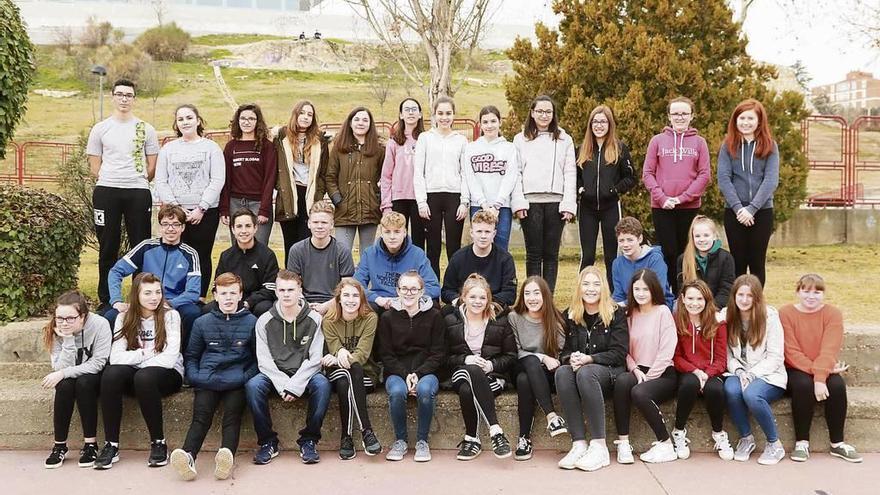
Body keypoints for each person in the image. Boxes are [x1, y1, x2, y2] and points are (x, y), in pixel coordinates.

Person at [170, 273, 258, 481]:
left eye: (233, 293)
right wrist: (195, 377)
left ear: (240, 295)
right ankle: (189, 455)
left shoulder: (252, 321)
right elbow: (191, 355)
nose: (228, 298)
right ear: (215, 296)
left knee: (232, 417)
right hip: (207, 379)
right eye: (223, 293)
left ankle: (226, 456)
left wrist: (245, 377)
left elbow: (257, 359)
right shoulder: (202, 322)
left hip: (237, 381)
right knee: (200, 418)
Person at [94, 272, 184, 470]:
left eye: (158, 292)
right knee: (111, 374)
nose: (154, 298)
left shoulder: (170, 316)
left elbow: (169, 358)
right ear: (136, 295)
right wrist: (148, 353)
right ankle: (111, 444)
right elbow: (116, 358)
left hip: (167, 375)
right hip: (138, 374)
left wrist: (136, 361)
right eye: (148, 293)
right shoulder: (123, 318)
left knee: (144, 378)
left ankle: (158, 442)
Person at [87, 78, 159, 312]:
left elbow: (152, 164)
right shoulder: (101, 128)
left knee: (141, 245)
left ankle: (141, 297)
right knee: (108, 245)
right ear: (113, 96)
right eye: (120, 94)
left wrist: (135, 179)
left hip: (137, 191)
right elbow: (94, 164)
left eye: (128, 95)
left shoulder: (145, 129)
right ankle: (108, 298)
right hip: (107, 191)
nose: (124, 99)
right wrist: (111, 179)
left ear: (134, 99)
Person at [244, 270, 330, 465]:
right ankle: (268, 442)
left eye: (291, 289)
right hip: (275, 374)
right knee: (253, 386)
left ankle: (309, 440)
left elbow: (316, 358)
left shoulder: (315, 319)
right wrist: (284, 385)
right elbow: (264, 361)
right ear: (276, 292)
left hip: (305, 373)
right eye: (282, 289)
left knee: (323, 384)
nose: (286, 294)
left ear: (300, 291)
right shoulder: (264, 321)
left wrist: (296, 385)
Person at [780, 274, 862, 463]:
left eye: (817, 292)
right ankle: (802, 442)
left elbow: (829, 349)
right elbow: (790, 351)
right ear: (798, 292)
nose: (811, 296)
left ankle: (837, 443)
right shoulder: (785, 313)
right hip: (795, 368)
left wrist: (820, 377)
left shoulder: (833, 314)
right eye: (806, 291)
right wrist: (818, 375)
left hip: (824, 366)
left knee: (837, 386)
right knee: (802, 386)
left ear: (823, 294)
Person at [554, 266, 628, 472]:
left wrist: (589, 359)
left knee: (586, 372)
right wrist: (573, 358)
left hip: (610, 373)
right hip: (583, 374)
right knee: (562, 371)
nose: (591, 289)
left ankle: (599, 446)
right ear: (579, 287)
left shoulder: (616, 314)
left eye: (596, 284)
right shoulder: (570, 315)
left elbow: (619, 353)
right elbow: (563, 353)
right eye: (586, 284)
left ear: (603, 287)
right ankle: (578, 443)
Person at [105, 204, 201, 348]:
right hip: (143, 300)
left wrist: (169, 303)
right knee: (111, 315)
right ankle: (112, 357)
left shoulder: (190, 254)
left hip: (172, 302)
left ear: (183, 227)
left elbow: (193, 292)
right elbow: (115, 271)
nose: (170, 229)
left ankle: (184, 355)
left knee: (192, 312)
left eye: (176, 224)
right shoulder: (146, 247)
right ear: (160, 227)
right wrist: (116, 301)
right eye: (166, 224)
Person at [154, 104, 225, 300]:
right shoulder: (168, 149)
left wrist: (201, 208)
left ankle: (199, 296)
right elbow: (161, 180)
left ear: (198, 120)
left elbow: (217, 179)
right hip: (176, 212)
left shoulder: (211, 148)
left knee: (201, 254)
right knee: (176, 254)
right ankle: (175, 293)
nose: (185, 122)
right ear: (176, 124)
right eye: (181, 119)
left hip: (205, 212)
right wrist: (177, 209)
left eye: (189, 117)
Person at [643, 96, 711, 292]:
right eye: (675, 114)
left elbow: (704, 174)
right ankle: (671, 291)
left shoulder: (699, 142)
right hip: (662, 207)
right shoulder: (657, 141)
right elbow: (647, 173)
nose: (680, 117)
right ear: (669, 116)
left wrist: (683, 198)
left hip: (689, 207)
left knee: (687, 253)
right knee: (669, 252)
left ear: (692, 116)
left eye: (684, 114)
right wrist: (662, 198)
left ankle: (689, 292)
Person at [444, 274, 516, 461]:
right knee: (471, 371)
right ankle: (496, 430)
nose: (478, 302)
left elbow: (511, 356)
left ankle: (472, 439)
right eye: (473, 297)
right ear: (464, 297)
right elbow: (443, 357)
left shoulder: (500, 321)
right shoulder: (450, 320)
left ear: (488, 299)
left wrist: (492, 365)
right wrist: (466, 359)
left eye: (482, 298)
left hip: (492, 377)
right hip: (460, 372)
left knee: (468, 391)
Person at [612, 269, 678, 464]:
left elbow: (667, 351)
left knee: (640, 392)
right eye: (636, 289)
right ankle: (623, 442)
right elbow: (624, 349)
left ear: (653, 290)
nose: (640, 293)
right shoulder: (628, 314)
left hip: (663, 373)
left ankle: (665, 444)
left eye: (645, 289)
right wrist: (635, 370)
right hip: (638, 369)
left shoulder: (663, 312)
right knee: (623, 381)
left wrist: (648, 377)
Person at [378, 271, 445, 462]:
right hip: (397, 372)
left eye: (414, 288)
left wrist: (418, 373)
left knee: (425, 390)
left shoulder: (435, 316)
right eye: (404, 288)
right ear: (397, 291)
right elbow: (386, 354)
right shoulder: (387, 318)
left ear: (422, 291)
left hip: (427, 371)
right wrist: (406, 374)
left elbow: (438, 353)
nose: (409, 293)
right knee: (397, 392)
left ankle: (422, 441)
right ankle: (400, 441)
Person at [513, 95, 577, 291]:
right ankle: (533, 295)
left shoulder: (565, 139)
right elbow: (515, 173)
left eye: (548, 111)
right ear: (532, 113)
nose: (544, 115)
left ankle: (547, 298)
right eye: (540, 111)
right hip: (530, 202)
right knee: (533, 253)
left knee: (551, 254)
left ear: (553, 114)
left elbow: (570, 173)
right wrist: (519, 202)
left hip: (555, 202)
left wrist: (568, 204)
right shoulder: (520, 139)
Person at [41, 290, 112, 469]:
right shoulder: (55, 329)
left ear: (83, 316)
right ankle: (59, 446)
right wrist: (68, 339)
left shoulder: (100, 325)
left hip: (95, 377)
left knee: (84, 383)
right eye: (60, 318)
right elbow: (59, 367)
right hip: (70, 376)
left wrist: (63, 373)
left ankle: (90, 445)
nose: (64, 323)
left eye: (70, 318)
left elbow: (98, 363)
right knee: (64, 386)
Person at [722, 274, 787, 465]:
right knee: (731, 390)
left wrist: (752, 374)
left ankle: (775, 444)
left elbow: (776, 356)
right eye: (740, 295)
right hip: (739, 371)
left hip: (768, 374)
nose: (744, 300)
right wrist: (740, 371)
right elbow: (727, 354)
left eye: (749, 296)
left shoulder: (770, 317)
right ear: (734, 296)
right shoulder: (727, 316)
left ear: (757, 297)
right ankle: (746, 438)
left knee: (751, 394)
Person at [718, 98, 780, 287]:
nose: (745, 122)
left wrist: (751, 209)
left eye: (750, 118)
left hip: (761, 212)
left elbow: (770, 180)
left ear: (759, 121)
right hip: (734, 212)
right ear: (735, 120)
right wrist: (739, 209)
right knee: (737, 261)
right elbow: (724, 179)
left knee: (757, 262)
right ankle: (737, 306)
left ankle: (756, 306)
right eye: (741, 118)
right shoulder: (728, 146)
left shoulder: (770, 146)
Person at [320, 278, 382, 460]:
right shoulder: (329, 320)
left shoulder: (370, 318)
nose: (351, 299)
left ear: (362, 299)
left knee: (348, 377)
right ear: (338, 299)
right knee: (345, 375)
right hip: (340, 373)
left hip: (366, 373)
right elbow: (333, 347)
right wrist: (338, 353)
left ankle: (346, 437)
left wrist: (339, 356)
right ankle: (367, 431)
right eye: (346, 295)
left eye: (356, 295)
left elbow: (362, 355)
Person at [672, 280, 733, 461]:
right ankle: (678, 431)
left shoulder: (718, 323)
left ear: (707, 300)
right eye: (690, 298)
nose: (694, 303)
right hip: (687, 371)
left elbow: (722, 359)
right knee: (689, 383)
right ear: (682, 299)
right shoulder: (677, 321)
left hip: (711, 372)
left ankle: (719, 432)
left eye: (700, 299)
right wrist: (695, 371)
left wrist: (707, 373)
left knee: (714, 389)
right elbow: (675, 357)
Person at [508, 276, 567, 461]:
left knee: (525, 381)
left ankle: (524, 439)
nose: (532, 298)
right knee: (530, 363)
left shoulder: (555, 319)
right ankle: (551, 417)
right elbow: (515, 351)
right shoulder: (514, 317)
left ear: (545, 295)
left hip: (546, 376)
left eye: (536, 293)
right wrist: (541, 356)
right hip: (521, 365)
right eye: (527, 293)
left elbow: (560, 353)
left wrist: (548, 360)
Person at [576, 104, 636, 287]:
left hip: (611, 207)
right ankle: (581, 295)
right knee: (588, 255)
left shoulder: (620, 148)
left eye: (603, 121)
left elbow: (631, 177)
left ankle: (616, 295)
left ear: (610, 124)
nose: (599, 125)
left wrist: (615, 190)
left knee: (612, 255)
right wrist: (580, 189)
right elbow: (574, 176)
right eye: (595, 121)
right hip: (587, 208)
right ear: (590, 124)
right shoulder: (582, 149)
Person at [413, 95, 469, 278]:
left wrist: (464, 202)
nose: (444, 117)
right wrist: (421, 201)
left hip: (454, 196)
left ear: (454, 115)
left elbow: (465, 173)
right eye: (440, 113)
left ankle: (455, 289)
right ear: (434, 115)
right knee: (433, 247)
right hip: (431, 197)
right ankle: (433, 290)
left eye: (448, 113)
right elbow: (418, 173)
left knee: (454, 247)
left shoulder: (461, 140)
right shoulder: (425, 138)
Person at [461, 105, 527, 250]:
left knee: (500, 247)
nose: (489, 125)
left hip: (502, 207)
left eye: (493, 121)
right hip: (478, 205)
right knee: (480, 247)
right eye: (485, 122)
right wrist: (484, 204)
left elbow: (510, 177)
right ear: (480, 124)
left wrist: (497, 204)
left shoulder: (509, 148)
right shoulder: (471, 148)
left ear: (500, 122)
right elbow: (470, 177)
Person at [273, 100, 331, 265]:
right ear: (295, 115)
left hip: (310, 195)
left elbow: (324, 172)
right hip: (288, 195)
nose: (306, 117)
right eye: (302, 113)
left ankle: (308, 283)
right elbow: (276, 167)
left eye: (310, 114)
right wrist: (280, 186)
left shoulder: (320, 140)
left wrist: (318, 193)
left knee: (307, 242)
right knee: (290, 245)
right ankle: (290, 283)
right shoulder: (281, 137)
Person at [325, 106, 385, 252]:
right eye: (356, 119)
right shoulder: (339, 148)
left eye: (365, 120)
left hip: (370, 210)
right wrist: (338, 200)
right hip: (345, 210)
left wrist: (378, 198)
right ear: (350, 123)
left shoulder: (379, 149)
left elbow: (386, 177)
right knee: (342, 253)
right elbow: (330, 177)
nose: (361, 123)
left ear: (370, 124)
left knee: (368, 254)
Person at [354, 211, 440, 312]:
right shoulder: (369, 253)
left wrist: (408, 297)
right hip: (381, 302)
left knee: (434, 306)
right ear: (381, 233)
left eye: (397, 231)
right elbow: (356, 285)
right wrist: (376, 298)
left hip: (409, 301)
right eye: (387, 232)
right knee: (364, 307)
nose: (392, 237)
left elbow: (434, 287)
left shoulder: (417, 254)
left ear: (404, 232)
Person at [220, 103, 277, 246]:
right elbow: (225, 180)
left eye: (251, 119)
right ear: (237, 121)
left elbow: (270, 179)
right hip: (236, 203)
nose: (246, 122)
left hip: (259, 204)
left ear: (258, 122)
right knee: (238, 247)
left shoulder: (267, 146)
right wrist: (225, 209)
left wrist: (264, 209)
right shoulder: (231, 147)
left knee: (259, 246)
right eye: (243, 118)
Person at [287, 200, 356, 316]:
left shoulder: (342, 251)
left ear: (332, 224)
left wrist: (326, 306)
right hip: (303, 302)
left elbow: (347, 289)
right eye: (315, 222)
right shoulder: (296, 250)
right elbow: (293, 286)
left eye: (324, 222)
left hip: (334, 302)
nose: (319, 226)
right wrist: (306, 305)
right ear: (309, 224)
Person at [441, 210, 518, 308]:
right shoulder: (458, 258)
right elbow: (447, 291)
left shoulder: (505, 259)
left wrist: (486, 303)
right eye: (479, 231)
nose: (483, 236)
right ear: (472, 233)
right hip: (464, 307)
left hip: (493, 308)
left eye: (487, 232)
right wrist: (464, 302)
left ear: (494, 234)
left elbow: (510, 294)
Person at [211, 209, 279, 317]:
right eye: (239, 226)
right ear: (233, 229)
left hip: (257, 301)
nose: (243, 231)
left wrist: (249, 302)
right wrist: (231, 300)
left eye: (248, 226)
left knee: (264, 308)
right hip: (232, 298)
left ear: (255, 228)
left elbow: (270, 288)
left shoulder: (267, 255)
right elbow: (218, 284)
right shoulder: (226, 256)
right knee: (207, 309)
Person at [381, 97, 427, 250]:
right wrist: (386, 205)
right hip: (398, 197)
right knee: (398, 241)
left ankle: (417, 273)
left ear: (420, 114)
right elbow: (386, 176)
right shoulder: (394, 141)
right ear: (401, 115)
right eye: (406, 109)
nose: (410, 113)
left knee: (419, 241)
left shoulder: (426, 139)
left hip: (419, 198)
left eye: (414, 109)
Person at [610, 216, 674, 309]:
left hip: (656, 306)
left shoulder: (655, 259)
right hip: (630, 308)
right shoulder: (617, 263)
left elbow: (658, 292)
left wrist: (626, 304)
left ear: (640, 239)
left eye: (630, 240)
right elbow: (618, 295)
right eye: (621, 241)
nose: (625, 245)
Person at [676, 215, 735, 308]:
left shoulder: (726, 258)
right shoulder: (683, 259)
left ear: (714, 236)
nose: (702, 239)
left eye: (706, 235)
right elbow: (681, 289)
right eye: (697, 236)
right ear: (693, 237)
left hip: (716, 308)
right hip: (692, 307)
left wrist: (711, 309)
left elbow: (726, 289)